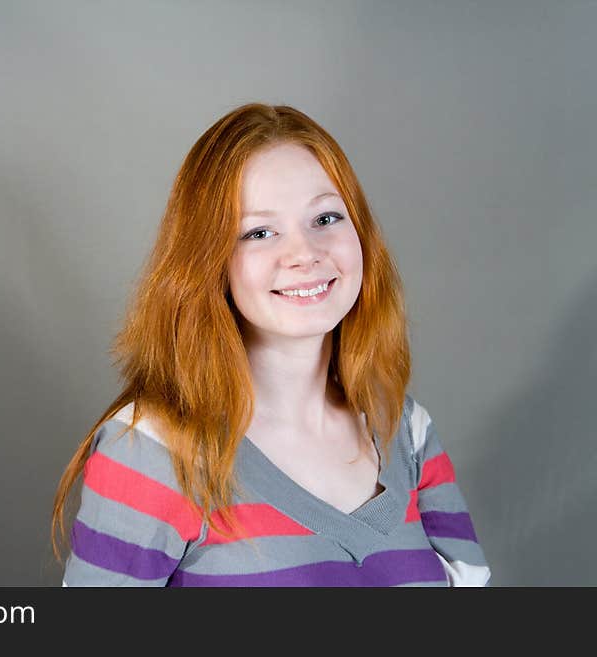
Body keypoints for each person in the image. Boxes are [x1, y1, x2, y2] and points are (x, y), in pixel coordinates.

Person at [51, 103, 492, 586]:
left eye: (325, 218)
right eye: (259, 232)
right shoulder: (152, 451)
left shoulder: (407, 433)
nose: (304, 253)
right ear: (208, 262)